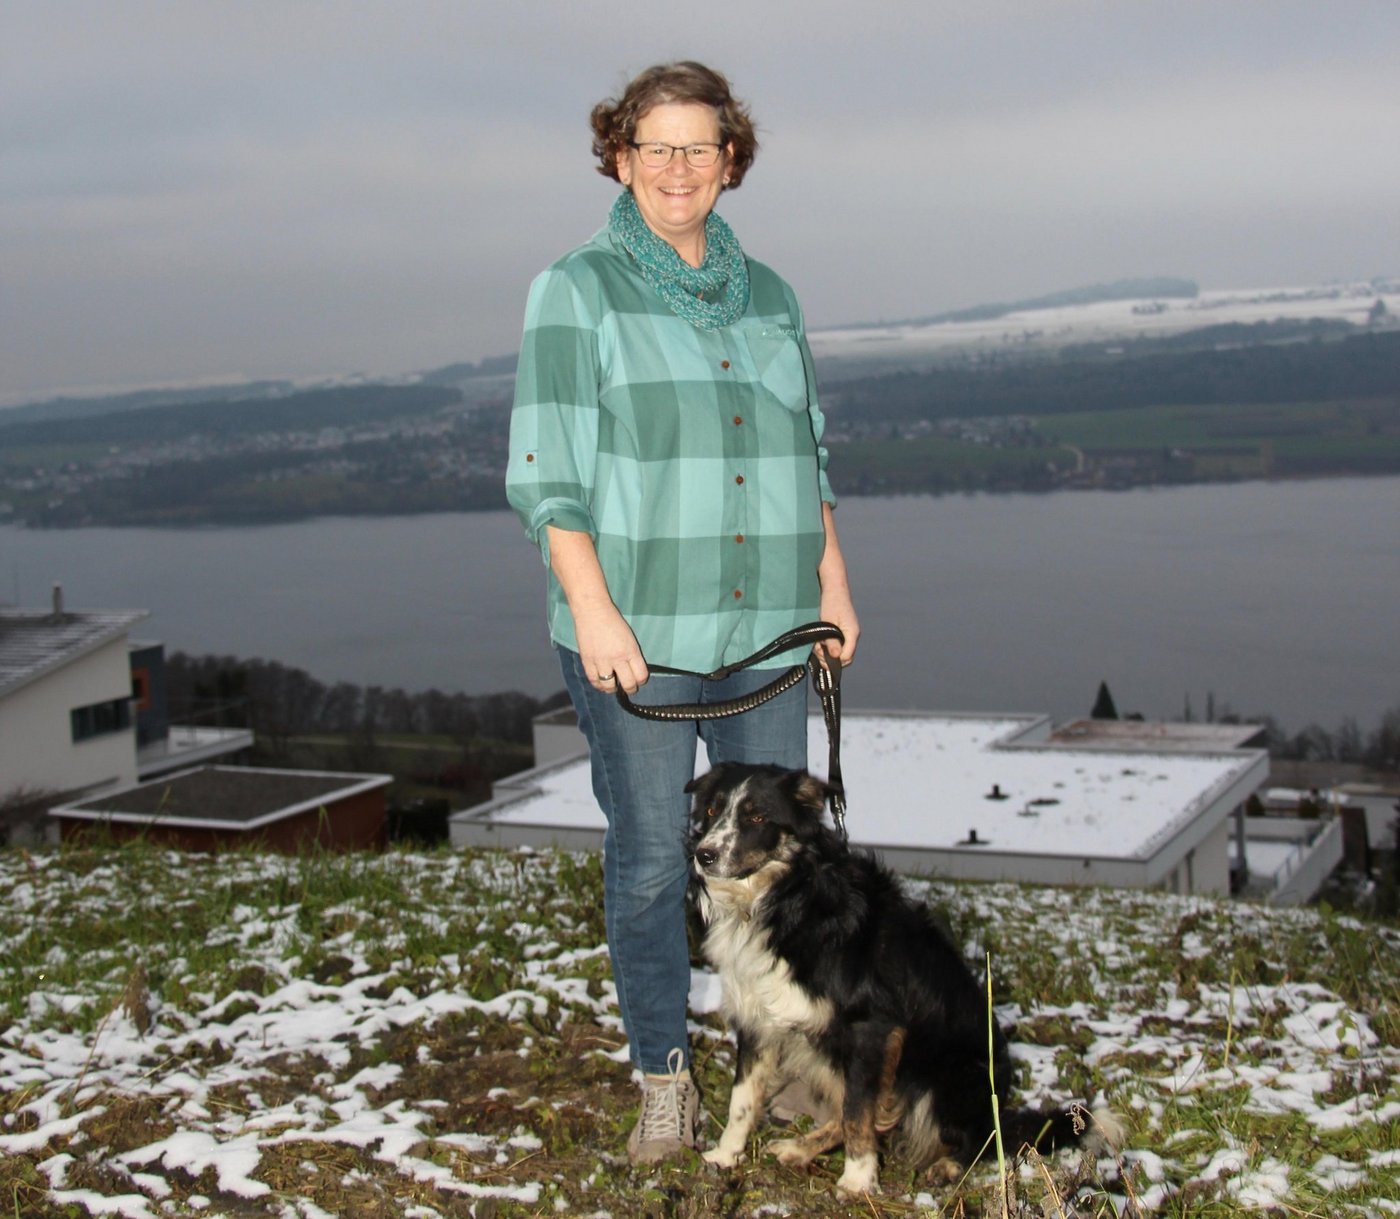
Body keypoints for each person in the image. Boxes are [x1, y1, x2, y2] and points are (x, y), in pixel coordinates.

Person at [505, 61, 859, 1164]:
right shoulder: (576, 288)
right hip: (637, 640)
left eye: (698, 146)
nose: (676, 167)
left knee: (782, 862)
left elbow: (804, 458)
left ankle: (791, 1064)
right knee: (658, 863)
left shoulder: (774, 297)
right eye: (653, 145)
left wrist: (830, 586)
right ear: (617, 156)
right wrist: (594, 610)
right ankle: (665, 1079)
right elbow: (545, 475)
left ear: (730, 161)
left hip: (763, 634)